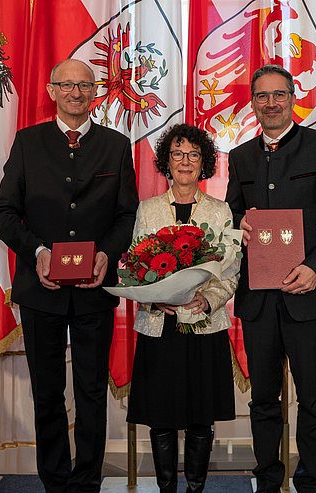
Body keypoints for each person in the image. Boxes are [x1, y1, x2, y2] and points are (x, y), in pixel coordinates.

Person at [0, 59, 138, 493]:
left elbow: (128, 214)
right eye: (67, 85)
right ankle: (55, 481)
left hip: (95, 290)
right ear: (52, 90)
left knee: (92, 391)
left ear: (96, 92)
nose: (76, 92)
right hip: (41, 290)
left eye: (84, 85)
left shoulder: (115, 144)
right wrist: (36, 251)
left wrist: (107, 254)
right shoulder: (28, 143)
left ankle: (87, 481)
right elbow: (1, 212)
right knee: (48, 392)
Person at [225, 64, 316, 493]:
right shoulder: (240, 156)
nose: (271, 103)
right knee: (263, 399)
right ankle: (266, 481)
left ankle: (311, 482)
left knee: (312, 399)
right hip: (258, 299)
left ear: (293, 97)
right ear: (253, 102)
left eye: (278, 94)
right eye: (262, 96)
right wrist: (237, 225)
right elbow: (232, 219)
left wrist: (314, 268)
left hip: (308, 298)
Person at [126, 123, 238, 493]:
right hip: (159, 326)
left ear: (204, 162)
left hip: (204, 324)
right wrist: (153, 295)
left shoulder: (221, 212)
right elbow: (132, 267)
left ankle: (195, 488)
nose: (185, 162)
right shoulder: (148, 209)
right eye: (177, 154)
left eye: (193, 155)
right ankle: (165, 489)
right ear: (166, 162)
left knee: (200, 417)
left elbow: (231, 272)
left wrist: (208, 299)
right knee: (160, 416)